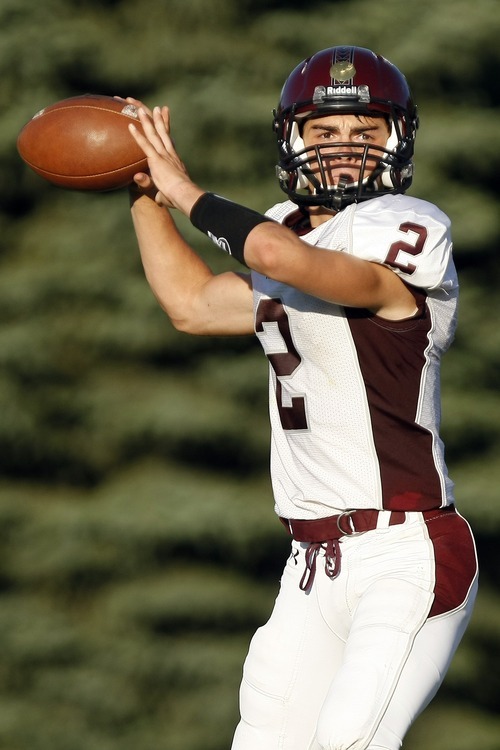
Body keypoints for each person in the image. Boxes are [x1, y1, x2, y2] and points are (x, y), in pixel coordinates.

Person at [124, 46, 478, 750]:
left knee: (347, 742)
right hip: (312, 564)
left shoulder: (404, 229)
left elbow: (282, 261)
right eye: (325, 132)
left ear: (398, 143)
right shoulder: (284, 233)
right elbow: (192, 304)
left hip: (404, 554)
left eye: (365, 132)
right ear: (291, 141)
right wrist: (140, 190)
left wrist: (188, 192)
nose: (345, 148)